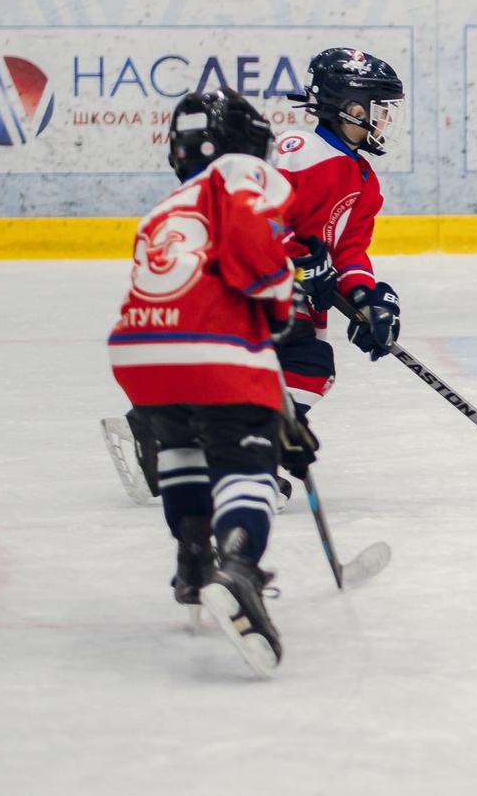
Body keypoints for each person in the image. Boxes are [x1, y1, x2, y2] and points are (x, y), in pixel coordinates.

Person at [107, 89, 299, 676]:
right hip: (208, 346)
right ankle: (237, 569)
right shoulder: (238, 172)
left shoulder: (165, 208)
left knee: (183, 444)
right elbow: (250, 241)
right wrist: (278, 295)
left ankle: (193, 561)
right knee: (250, 462)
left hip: (140, 353)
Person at [273, 47, 407, 428]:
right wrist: (298, 265)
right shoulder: (298, 150)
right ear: (352, 109)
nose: (385, 120)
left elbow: (349, 251)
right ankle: (232, 451)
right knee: (294, 361)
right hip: (259, 286)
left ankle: (250, 452)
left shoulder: (366, 181)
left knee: (312, 369)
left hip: (300, 298)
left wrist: (365, 297)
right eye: (378, 109)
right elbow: (261, 215)